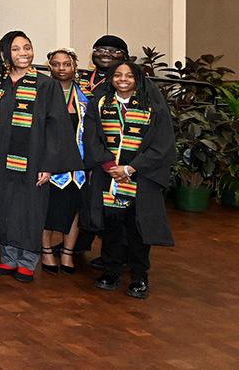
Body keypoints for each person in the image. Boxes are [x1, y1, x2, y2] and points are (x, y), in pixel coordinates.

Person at [0, 30, 79, 283]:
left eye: (27, 48)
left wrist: (48, 164)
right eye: (16, 49)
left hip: (32, 161)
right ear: (5, 54)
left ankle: (27, 261)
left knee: (29, 210)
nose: (24, 53)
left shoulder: (46, 85)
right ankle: (9, 258)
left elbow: (57, 128)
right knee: (2, 208)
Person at [82, 61, 175, 299]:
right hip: (109, 175)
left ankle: (139, 277)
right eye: (118, 75)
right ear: (111, 78)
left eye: (129, 75)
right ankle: (111, 272)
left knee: (139, 229)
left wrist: (132, 168)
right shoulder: (100, 104)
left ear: (138, 79)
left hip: (142, 177)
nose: (123, 79)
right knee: (111, 226)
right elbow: (91, 139)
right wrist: (111, 166)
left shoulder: (153, 106)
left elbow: (162, 144)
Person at [43, 47, 91, 273]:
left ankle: (68, 254)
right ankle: (46, 252)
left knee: (74, 209)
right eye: (56, 64)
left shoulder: (86, 97)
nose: (61, 68)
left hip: (78, 164)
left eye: (66, 64)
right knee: (48, 208)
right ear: (49, 67)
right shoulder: (41, 92)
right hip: (50, 163)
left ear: (75, 67)